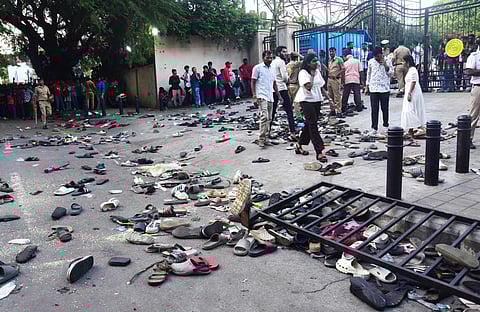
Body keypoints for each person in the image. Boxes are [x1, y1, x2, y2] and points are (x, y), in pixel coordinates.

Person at [294, 53, 329, 163]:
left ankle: (299, 144)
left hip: (316, 100)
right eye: (313, 61)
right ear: (308, 63)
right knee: (313, 124)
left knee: (309, 124)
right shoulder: (303, 73)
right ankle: (319, 151)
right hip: (306, 100)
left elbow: (321, 86)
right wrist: (312, 75)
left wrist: (330, 99)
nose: (316, 62)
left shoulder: (318, 71)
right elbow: (308, 87)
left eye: (316, 60)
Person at [251, 50, 279, 148]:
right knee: (264, 117)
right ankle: (261, 139)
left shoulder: (272, 68)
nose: (270, 59)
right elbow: (253, 82)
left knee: (270, 118)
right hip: (261, 95)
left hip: (270, 95)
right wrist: (254, 96)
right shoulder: (257, 68)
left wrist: (279, 96)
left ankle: (266, 138)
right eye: (268, 57)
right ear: (263, 58)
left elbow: (274, 83)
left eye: (271, 58)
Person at [365, 47, 393, 135]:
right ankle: (374, 127)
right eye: (376, 57)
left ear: (382, 54)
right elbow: (368, 74)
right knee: (374, 109)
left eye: (379, 56)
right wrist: (367, 86)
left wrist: (385, 65)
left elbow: (391, 74)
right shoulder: (371, 62)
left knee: (385, 108)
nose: (378, 58)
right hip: (374, 88)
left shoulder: (388, 61)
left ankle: (386, 125)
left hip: (384, 88)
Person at [272, 46, 296, 139]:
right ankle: (292, 132)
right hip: (282, 88)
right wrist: (288, 80)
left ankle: (267, 132)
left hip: (274, 89)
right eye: (283, 52)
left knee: (272, 112)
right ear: (278, 53)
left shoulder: (273, 62)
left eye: (286, 51)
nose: (286, 53)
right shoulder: (281, 62)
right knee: (289, 111)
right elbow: (284, 77)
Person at [401, 55, 426, 137]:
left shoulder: (413, 70)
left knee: (410, 110)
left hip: (413, 92)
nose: (403, 63)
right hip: (409, 91)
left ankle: (420, 127)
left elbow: (413, 82)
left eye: (404, 61)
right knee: (409, 109)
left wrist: (409, 93)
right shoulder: (409, 70)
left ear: (408, 62)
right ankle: (410, 129)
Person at [465, 36, 480, 149]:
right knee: (474, 114)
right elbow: (468, 71)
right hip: (478, 87)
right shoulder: (474, 56)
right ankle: (468, 138)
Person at [327, 47, 344, 118]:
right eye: (330, 51)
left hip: (336, 80)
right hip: (329, 79)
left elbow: (343, 69)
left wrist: (337, 74)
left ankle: (339, 111)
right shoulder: (329, 60)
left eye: (332, 51)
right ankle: (332, 110)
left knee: (337, 96)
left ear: (335, 52)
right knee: (330, 96)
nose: (331, 53)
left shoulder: (339, 59)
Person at [286, 52, 303, 120]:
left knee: (290, 103)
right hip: (295, 85)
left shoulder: (287, 65)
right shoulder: (296, 64)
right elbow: (306, 59)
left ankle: (290, 117)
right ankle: (298, 117)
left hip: (289, 85)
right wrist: (299, 54)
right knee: (296, 103)